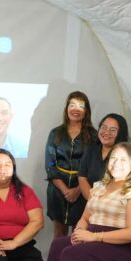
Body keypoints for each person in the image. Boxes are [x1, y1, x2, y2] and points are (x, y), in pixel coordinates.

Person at [45, 92, 96, 238]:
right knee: (59, 234)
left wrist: (78, 190)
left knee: (78, 234)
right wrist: (64, 189)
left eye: (81, 106)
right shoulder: (55, 133)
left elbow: (94, 167)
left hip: (83, 190)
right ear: (66, 108)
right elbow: (50, 164)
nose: (76, 109)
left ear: (86, 111)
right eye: (72, 105)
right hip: (57, 190)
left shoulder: (93, 135)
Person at [77, 114, 129, 198]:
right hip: (89, 201)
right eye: (103, 127)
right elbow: (82, 177)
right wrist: (92, 200)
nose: (106, 132)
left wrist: (101, 203)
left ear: (120, 133)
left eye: (112, 130)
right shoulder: (91, 150)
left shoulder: (126, 155)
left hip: (114, 202)